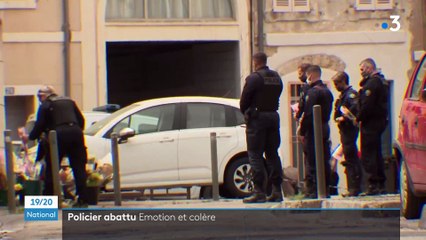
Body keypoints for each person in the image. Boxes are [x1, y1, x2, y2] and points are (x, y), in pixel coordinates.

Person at [23, 86, 89, 207]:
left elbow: (39, 125)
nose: (39, 99)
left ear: (46, 95)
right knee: (79, 167)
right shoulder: (69, 101)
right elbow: (81, 120)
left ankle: (49, 201)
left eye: (40, 96)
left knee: (52, 168)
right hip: (76, 133)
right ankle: (83, 200)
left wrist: (30, 137)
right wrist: (76, 131)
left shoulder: (45, 105)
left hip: (57, 135)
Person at [240, 52, 284, 203]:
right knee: (272, 154)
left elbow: (244, 101)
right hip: (273, 116)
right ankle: (277, 190)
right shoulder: (276, 77)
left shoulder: (254, 78)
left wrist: (248, 112)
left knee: (255, 155)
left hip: (257, 119)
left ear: (255, 62)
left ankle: (259, 191)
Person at [299, 65, 334, 198]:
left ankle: (312, 190)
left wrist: (302, 131)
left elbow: (308, 114)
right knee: (324, 159)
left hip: (313, 129)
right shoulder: (327, 91)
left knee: (312, 159)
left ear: (310, 76)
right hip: (324, 127)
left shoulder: (313, 92)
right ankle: (325, 188)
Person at [356, 58, 388, 195]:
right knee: (377, 153)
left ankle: (372, 185)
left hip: (371, 123)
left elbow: (367, 105)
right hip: (379, 121)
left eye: (362, 69)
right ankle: (380, 183)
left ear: (369, 68)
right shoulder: (381, 81)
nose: (361, 72)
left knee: (368, 154)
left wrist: (358, 118)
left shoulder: (372, 84)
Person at [332, 71, 362, 197]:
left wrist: (344, 118)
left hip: (349, 130)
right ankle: (351, 188)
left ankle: (354, 188)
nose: (335, 86)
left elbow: (354, 109)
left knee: (351, 158)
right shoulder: (342, 96)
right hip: (344, 130)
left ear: (343, 81)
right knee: (348, 158)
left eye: (337, 83)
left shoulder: (351, 95)